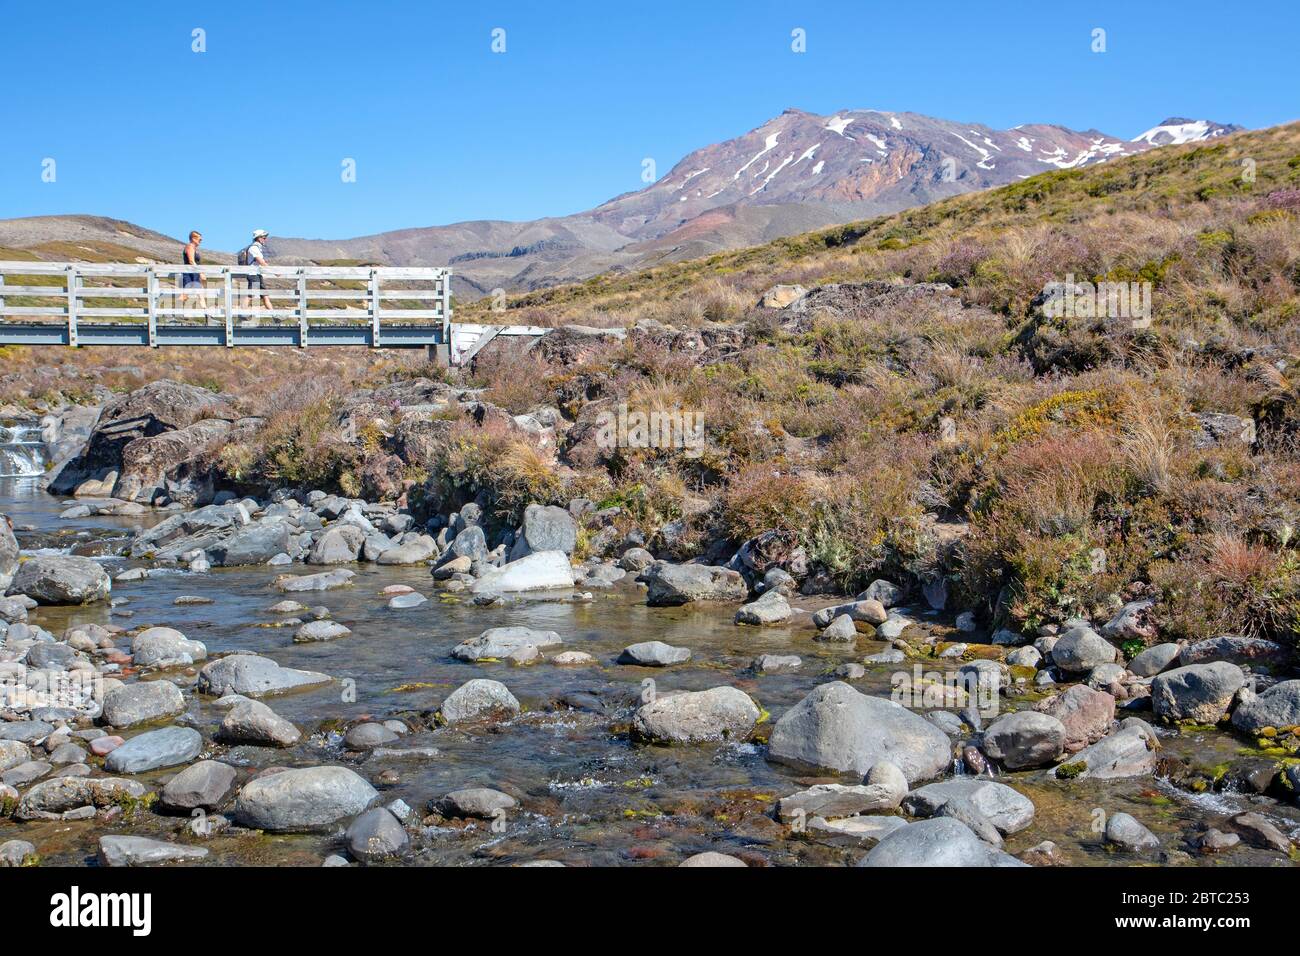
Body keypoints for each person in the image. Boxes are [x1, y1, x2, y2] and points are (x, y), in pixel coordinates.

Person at [242, 229, 273, 314]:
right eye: (264, 237)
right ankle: (242, 313)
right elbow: (261, 262)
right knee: (250, 295)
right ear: (259, 238)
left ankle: (274, 316)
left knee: (265, 295)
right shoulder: (254, 248)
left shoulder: (256, 248)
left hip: (257, 274)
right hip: (253, 275)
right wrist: (274, 271)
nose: (265, 239)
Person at [179, 230, 204, 316]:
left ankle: (206, 314)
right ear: (193, 238)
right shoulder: (190, 247)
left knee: (201, 293)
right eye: (199, 239)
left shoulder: (194, 248)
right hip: (189, 274)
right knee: (185, 295)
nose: (200, 241)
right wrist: (200, 272)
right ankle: (174, 311)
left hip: (194, 273)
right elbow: (191, 261)